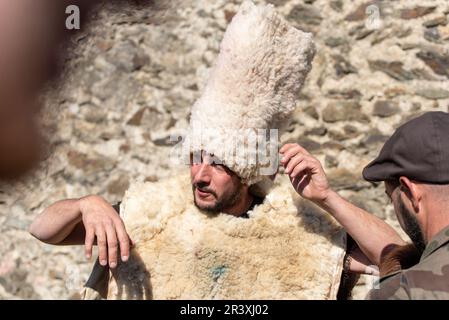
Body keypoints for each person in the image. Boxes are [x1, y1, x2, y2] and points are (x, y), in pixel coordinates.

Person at [30, 1, 372, 300]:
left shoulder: (294, 228)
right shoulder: (152, 214)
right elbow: (43, 230)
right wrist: (86, 205)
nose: (201, 174)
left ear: (246, 171)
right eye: (197, 157)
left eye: (219, 163)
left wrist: (328, 198)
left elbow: (394, 254)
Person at [280, 111, 449, 299]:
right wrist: (326, 196)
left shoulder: (404, 291)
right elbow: (397, 255)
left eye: (391, 198)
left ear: (410, 192)